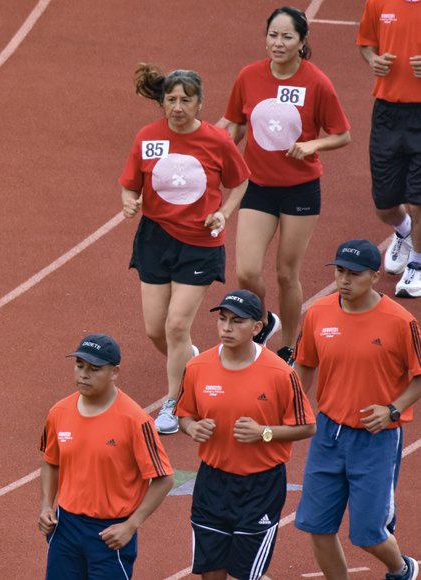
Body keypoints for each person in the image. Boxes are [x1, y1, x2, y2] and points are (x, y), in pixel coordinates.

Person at [120, 65, 251, 434]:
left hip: (199, 243)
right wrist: (129, 202)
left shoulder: (217, 141)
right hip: (155, 238)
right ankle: (191, 363)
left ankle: (174, 404)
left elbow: (240, 182)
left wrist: (223, 213)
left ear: (199, 103)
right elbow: (130, 185)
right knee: (154, 330)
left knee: (177, 325)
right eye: (172, 100)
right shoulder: (148, 137)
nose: (178, 107)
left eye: (186, 100)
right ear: (162, 102)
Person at [216, 6, 351, 362]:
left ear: (302, 41)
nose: (278, 43)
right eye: (272, 35)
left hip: (300, 189)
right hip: (257, 185)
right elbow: (235, 125)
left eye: (287, 37)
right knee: (246, 271)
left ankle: (289, 344)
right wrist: (209, 142)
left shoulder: (316, 82)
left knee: (286, 274)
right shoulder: (249, 76)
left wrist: (314, 144)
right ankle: (265, 319)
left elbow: (342, 134)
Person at [293, 239, 421, 580]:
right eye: (339, 272)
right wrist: (287, 409)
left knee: (368, 533)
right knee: (317, 526)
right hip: (328, 434)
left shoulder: (400, 321)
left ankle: (401, 569)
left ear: (375, 277)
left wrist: (393, 410)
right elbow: (305, 365)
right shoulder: (319, 312)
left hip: (376, 439)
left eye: (353, 274)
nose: (344, 280)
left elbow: (420, 375)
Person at [176, 289, 315, 580]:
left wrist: (263, 433)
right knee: (211, 572)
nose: (226, 328)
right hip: (212, 482)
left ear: (256, 327)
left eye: (237, 321)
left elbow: (306, 426)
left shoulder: (279, 373)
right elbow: (184, 414)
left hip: (260, 487)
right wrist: (192, 428)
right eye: (223, 319)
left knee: (247, 575)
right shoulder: (197, 367)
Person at [37, 333, 173, 579]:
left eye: (94, 369)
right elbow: (50, 462)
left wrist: (130, 526)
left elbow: (164, 479)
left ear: (115, 372)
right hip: (66, 527)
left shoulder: (135, 420)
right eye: (79, 366)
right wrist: (47, 505)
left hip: (109, 534)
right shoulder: (58, 413)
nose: (84, 374)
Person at [358, 0, 421, 297]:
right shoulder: (378, 2)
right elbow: (366, 44)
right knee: (384, 204)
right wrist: (372, 60)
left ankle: (418, 265)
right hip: (387, 113)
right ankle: (405, 230)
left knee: (418, 199)